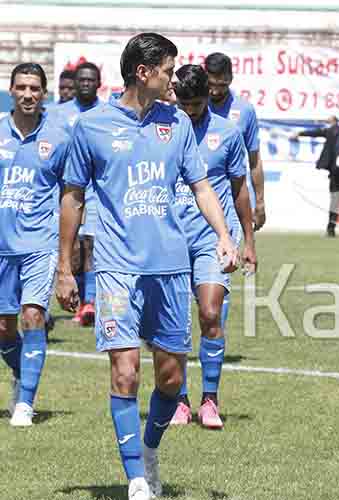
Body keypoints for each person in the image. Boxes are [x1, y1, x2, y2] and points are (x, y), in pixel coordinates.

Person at [55, 33, 238, 500]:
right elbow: (73, 197)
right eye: (168, 70)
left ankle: (150, 449)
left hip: (170, 269)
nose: (173, 79)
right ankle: (136, 477)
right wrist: (65, 267)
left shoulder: (176, 123)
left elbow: (201, 186)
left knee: (171, 380)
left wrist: (223, 234)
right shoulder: (92, 126)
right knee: (125, 372)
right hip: (116, 270)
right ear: (143, 72)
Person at [169, 64, 257, 428]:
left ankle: (210, 400)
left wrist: (248, 240)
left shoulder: (228, 132)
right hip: (169, 238)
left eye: (197, 103)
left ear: (209, 96)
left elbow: (239, 188)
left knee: (209, 313)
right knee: (174, 325)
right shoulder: (163, 129)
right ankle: (178, 401)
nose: (191, 111)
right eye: (185, 104)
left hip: (212, 238)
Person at [0, 63, 70, 426]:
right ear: (11, 90)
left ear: (44, 93)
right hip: (2, 244)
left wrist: (68, 253)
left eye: (34, 88)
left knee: (33, 316)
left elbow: (71, 196)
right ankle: (20, 371)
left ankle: (25, 403)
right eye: (22, 87)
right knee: (3, 328)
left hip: (39, 243)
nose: (28, 94)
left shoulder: (59, 138)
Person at [53, 61, 103, 327]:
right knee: (72, 249)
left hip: (95, 190)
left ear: (98, 84)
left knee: (90, 245)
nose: (85, 83)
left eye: (90, 80)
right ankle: (78, 298)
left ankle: (90, 303)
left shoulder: (106, 113)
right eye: (81, 79)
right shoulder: (58, 113)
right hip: (66, 190)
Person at [205, 52, 266, 231]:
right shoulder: (193, 104)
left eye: (221, 85)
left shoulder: (245, 110)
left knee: (230, 247)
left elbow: (254, 160)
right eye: (211, 84)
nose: (215, 91)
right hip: (197, 196)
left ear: (231, 78)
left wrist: (260, 202)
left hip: (233, 199)